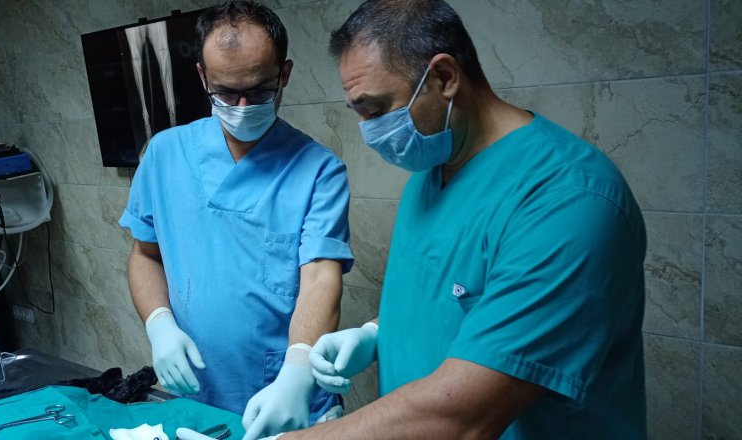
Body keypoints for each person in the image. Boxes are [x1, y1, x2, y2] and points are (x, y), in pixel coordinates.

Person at [274, 1, 647, 439]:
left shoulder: (569, 200)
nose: (368, 128)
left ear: (444, 77)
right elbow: (449, 301)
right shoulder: (432, 172)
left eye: (375, 109)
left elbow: (464, 415)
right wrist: (376, 333)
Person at [118, 2, 353, 439]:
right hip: (198, 395)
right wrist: (159, 323)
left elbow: (321, 277)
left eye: (260, 91)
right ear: (203, 77)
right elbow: (145, 254)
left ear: (284, 74)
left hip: (290, 397)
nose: (243, 106)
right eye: (226, 93)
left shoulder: (319, 171)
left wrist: (298, 373)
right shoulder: (164, 154)